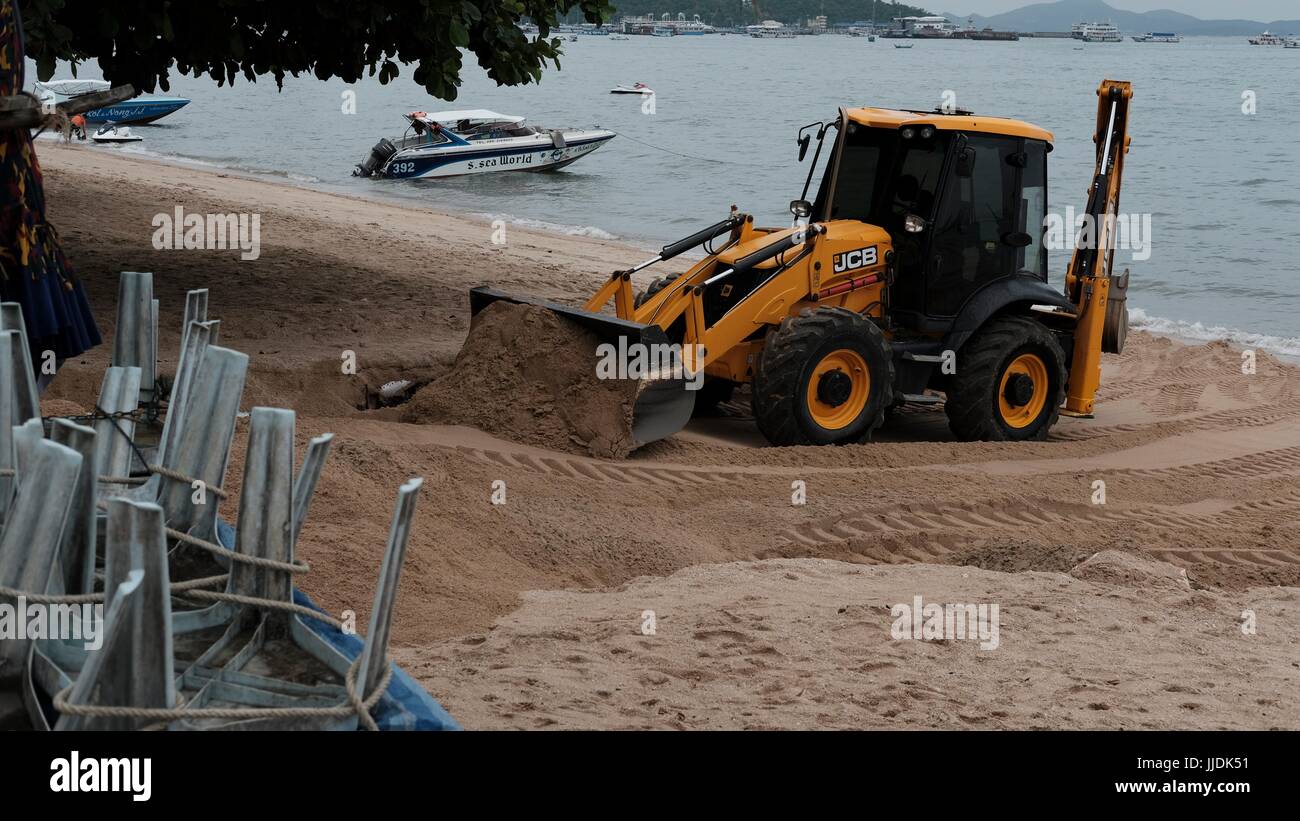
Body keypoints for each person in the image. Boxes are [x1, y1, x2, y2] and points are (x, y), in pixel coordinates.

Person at [0, 0, 101, 392]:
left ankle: (21, 407)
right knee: (41, 339)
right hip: (13, 186)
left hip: (14, 183)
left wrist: (34, 107)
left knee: (44, 341)